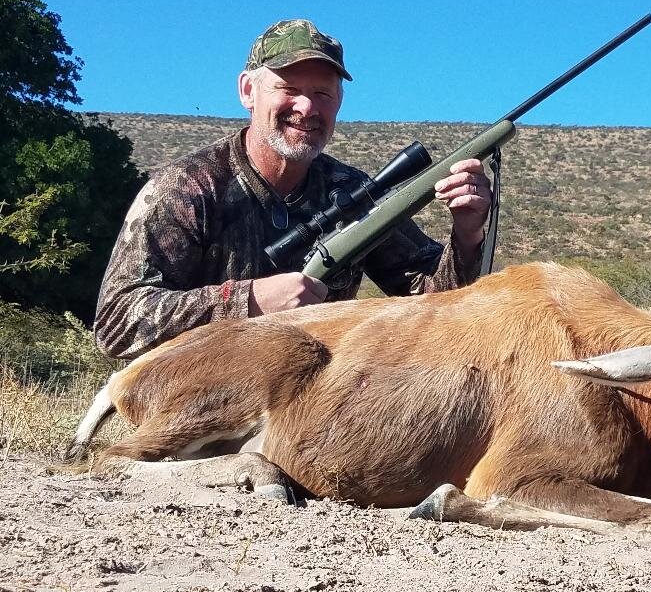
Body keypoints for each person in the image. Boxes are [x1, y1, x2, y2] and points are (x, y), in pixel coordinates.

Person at [94, 19, 491, 360]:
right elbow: (116, 324)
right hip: (198, 395)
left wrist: (467, 234)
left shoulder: (352, 192)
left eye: (323, 94)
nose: (307, 107)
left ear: (339, 102)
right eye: (288, 88)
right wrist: (245, 301)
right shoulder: (188, 188)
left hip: (308, 402)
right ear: (248, 91)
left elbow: (434, 301)